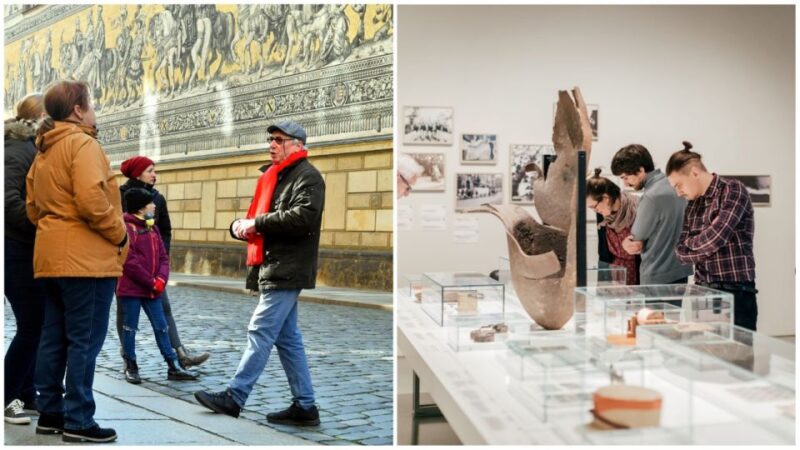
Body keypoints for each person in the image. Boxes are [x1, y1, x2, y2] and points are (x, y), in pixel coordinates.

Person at [194, 121, 324, 426]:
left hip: (287, 268)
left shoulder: (309, 177)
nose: (272, 144)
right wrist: (242, 225)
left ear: (298, 145)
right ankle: (305, 406)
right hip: (274, 264)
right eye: (271, 139)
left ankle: (235, 396)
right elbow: (261, 219)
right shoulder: (275, 177)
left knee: (260, 329)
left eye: (279, 140)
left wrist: (257, 223)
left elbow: (302, 218)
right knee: (287, 338)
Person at [26, 80, 128, 443]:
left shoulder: (44, 150)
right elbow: (91, 199)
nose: (94, 110)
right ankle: (80, 419)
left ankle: (51, 411)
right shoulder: (83, 144)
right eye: (91, 104)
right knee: (84, 340)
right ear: (78, 110)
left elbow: (33, 208)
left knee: (53, 337)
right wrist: (120, 234)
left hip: (51, 256)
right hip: (87, 260)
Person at [118, 156, 211, 368]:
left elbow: (165, 230)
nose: (154, 174)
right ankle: (128, 360)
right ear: (137, 173)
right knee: (125, 316)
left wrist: (162, 260)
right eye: (150, 170)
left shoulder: (157, 198)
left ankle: (179, 353)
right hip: (128, 270)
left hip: (153, 270)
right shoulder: (121, 195)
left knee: (164, 308)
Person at [666, 142, 758, 331]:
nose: (678, 192)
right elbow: (680, 252)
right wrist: (700, 245)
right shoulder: (693, 204)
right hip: (702, 291)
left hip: (735, 291)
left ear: (694, 173)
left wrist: (692, 243)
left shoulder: (732, 190)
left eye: (679, 185)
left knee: (738, 357)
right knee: (706, 354)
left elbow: (716, 238)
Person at [117, 188, 198, 384]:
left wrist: (161, 279)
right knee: (130, 328)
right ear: (140, 208)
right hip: (132, 289)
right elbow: (129, 261)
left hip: (153, 289)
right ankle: (131, 365)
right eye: (151, 203)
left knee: (162, 326)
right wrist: (151, 281)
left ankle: (172, 365)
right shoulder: (126, 228)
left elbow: (163, 257)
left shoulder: (153, 228)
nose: (155, 205)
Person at [5, 94, 48, 425]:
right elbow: (8, 202)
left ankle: (27, 393)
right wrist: (41, 219)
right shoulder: (18, 151)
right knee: (31, 326)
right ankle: (9, 398)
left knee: (37, 325)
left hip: (25, 248)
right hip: (16, 250)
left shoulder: (30, 148)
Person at [610, 144, 692, 285]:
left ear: (640, 170)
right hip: (681, 271)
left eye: (626, 177)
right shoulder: (675, 186)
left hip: (657, 272)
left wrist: (625, 243)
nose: (625, 183)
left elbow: (635, 240)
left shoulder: (651, 196)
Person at [586, 169, 640, 285]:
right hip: (610, 268)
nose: (595, 210)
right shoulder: (603, 213)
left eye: (594, 207)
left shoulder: (637, 208)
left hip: (637, 269)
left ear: (606, 198)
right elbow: (604, 248)